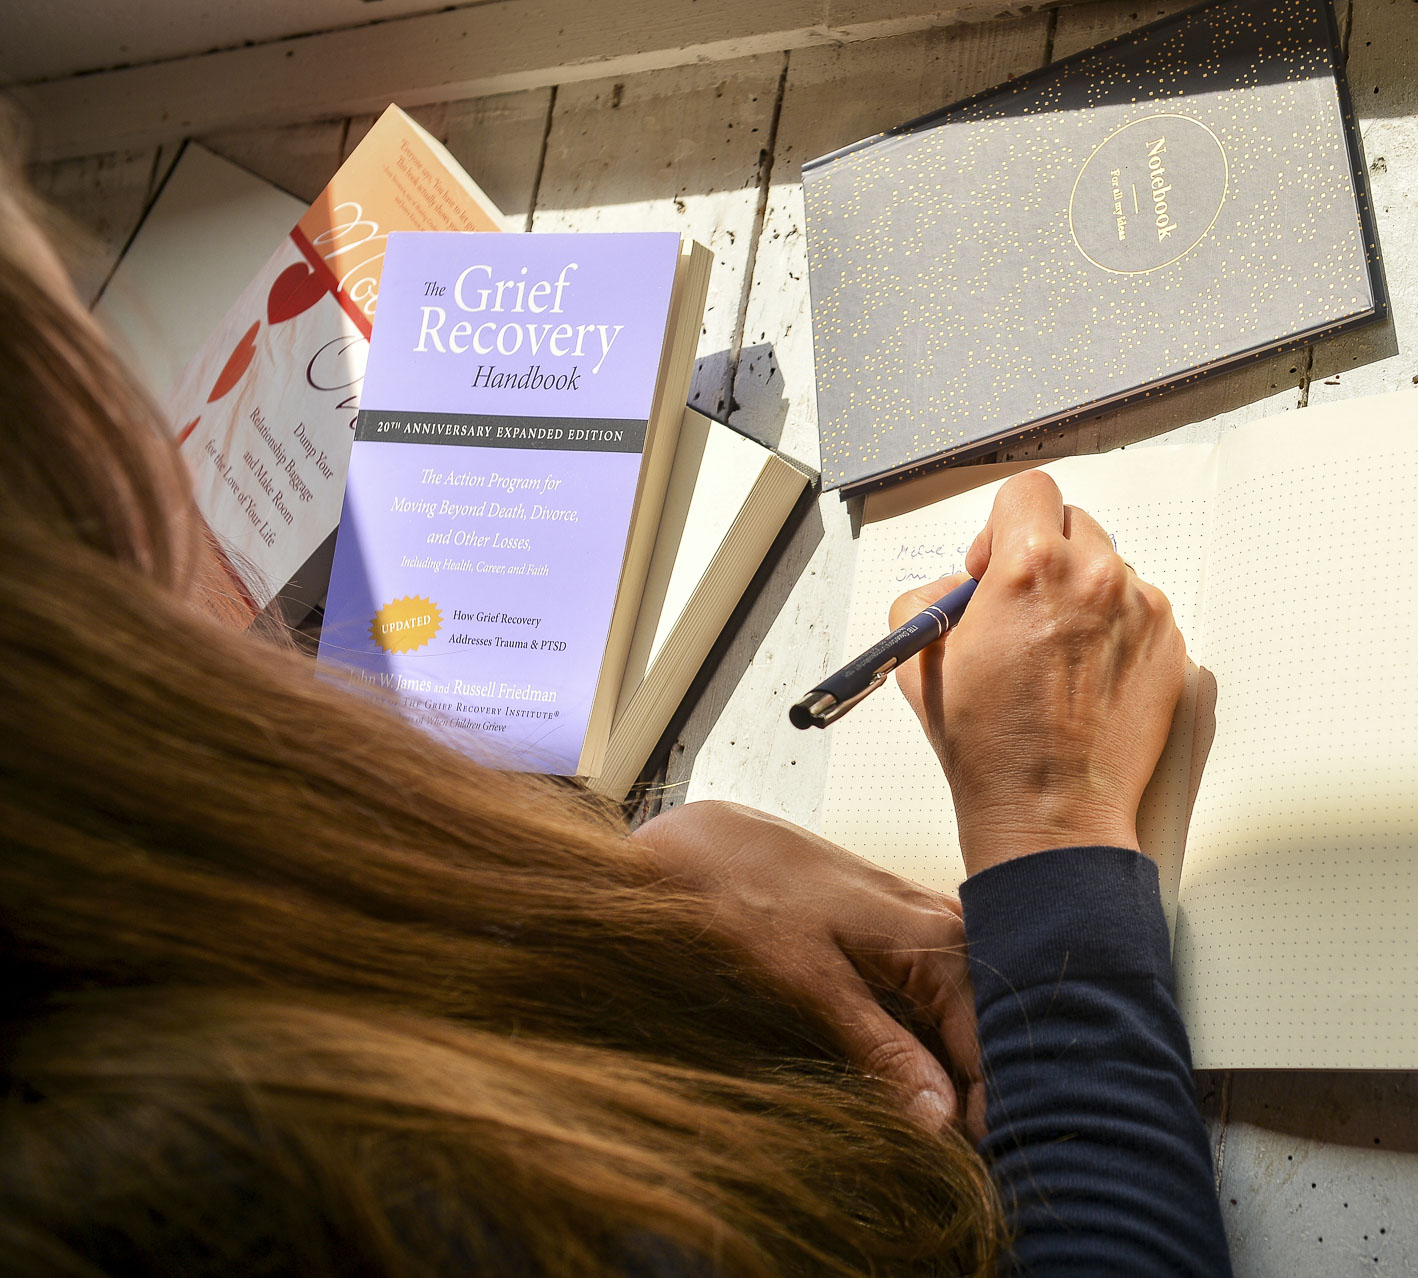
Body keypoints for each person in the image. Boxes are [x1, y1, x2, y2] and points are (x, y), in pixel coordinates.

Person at [0, 160, 1231, 1276]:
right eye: (102, 385)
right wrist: (1051, 832)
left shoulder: (151, 966)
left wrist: (628, 901)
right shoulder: (203, 1179)